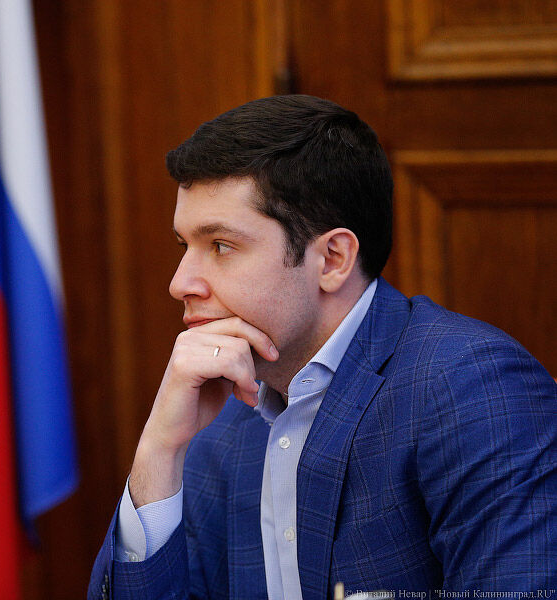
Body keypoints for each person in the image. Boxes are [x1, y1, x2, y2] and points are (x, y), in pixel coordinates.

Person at [88, 95, 557, 600]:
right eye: (185, 246)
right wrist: (160, 449)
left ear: (332, 258)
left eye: (220, 245)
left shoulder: (471, 388)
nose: (180, 283)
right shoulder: (222, 422)